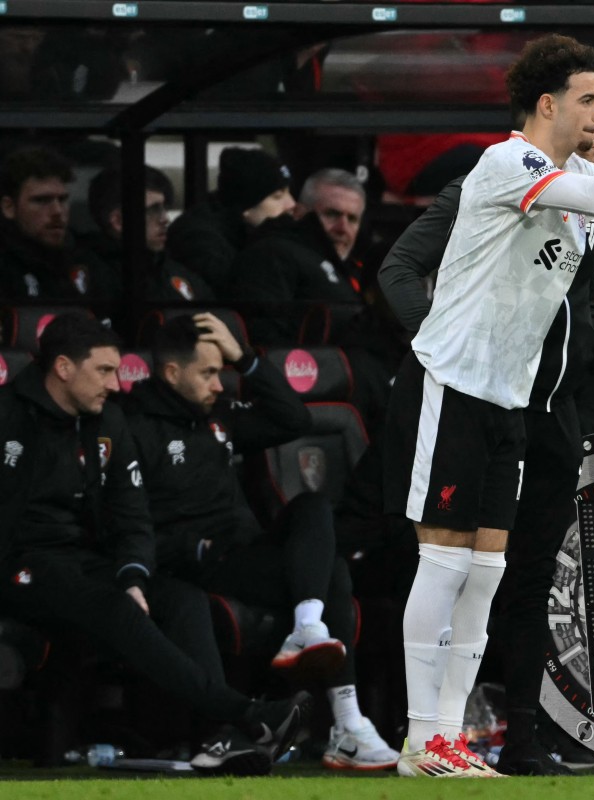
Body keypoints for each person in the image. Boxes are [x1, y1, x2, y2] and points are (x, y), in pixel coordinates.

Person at [382, 33, 594, 779]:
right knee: (443, 562)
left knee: (487, 571)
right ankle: (421, 737)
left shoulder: (580, 181)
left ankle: (447, 739)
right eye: (590, 98)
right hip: (455, 384)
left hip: (511, 398)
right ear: (548, 104)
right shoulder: (509, 162)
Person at [0, 313, 310, 776]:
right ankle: (245, 713)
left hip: (84, 559)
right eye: (104, 371)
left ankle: (217, 738)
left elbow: (131, 513)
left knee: (182, 598)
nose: (115, 383)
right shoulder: (9, 415)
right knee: (111, 605)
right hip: (18, 565)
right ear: (64, 368)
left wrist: (134, 574)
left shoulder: (106, 421)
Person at [121, 312, 399, 770]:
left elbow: (292, 418)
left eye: (221, 373)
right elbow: (129, 516)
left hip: (242, 551)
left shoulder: (220, 416)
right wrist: (187, 548)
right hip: (193, 559)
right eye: (208, 373)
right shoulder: (135, 427)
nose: (217, 384)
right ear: (172, 373)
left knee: (313, 510)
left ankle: (308, 628)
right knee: (332, 571)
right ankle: (346, 723)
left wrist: (247, 359)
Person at [232, 168, 366, 345]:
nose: (343, 228)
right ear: (299, 212)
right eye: (332, 214)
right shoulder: (273, 254)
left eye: (352, 219)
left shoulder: (353, 269)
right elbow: (264, 340)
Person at [166, 146, 294, 295]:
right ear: (246, 204)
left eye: (289, 193)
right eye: (277, 196)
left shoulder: (250, 230)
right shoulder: (198, 240)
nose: (291, 204)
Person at [83, 164, 214, 303]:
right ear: (118, 221)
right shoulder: (94, 277)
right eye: (153, 210)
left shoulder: (175, 272)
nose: (165, 219)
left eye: (164, 208)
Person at [0, 145, 116, 302]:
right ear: (9, 207)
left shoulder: (88, 263)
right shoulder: (6, 268)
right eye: (41, 200)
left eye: (62, 200)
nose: (57, 211)